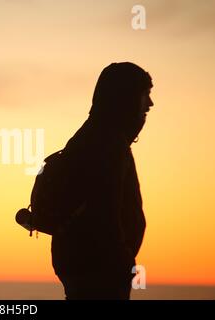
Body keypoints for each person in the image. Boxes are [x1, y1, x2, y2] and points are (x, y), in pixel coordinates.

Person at [51, 62, 153, 299]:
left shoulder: (93, 136)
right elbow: (103, 212)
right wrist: (121, 262)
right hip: (100, 273)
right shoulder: (107, 143)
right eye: (144, 95)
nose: (149, 103)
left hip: (89, 268)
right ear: (126, 98)